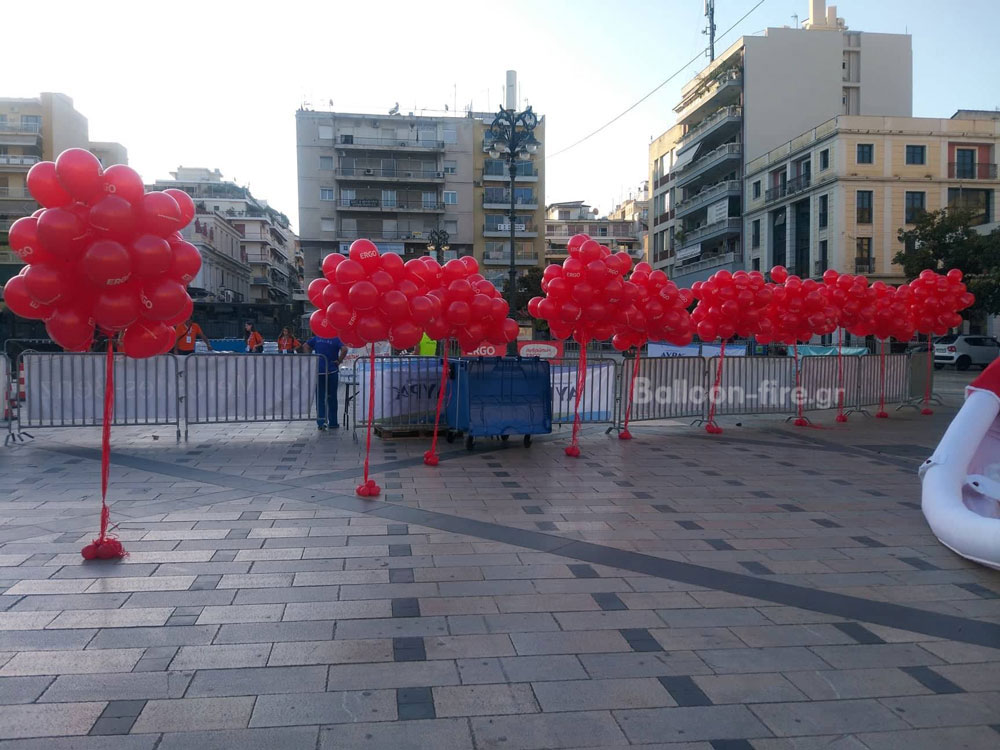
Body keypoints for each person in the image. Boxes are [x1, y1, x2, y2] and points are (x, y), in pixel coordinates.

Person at [303, 333, 346, 429]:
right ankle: (333, 422)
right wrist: (339, 360)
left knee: (320, 397)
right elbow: (344, 349)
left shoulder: (317, 338)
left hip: (319, 371)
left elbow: (305, 345)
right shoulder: (336, 338)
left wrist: (309, 358)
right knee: (332, 397)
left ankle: (321, 422)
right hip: (332, 370)